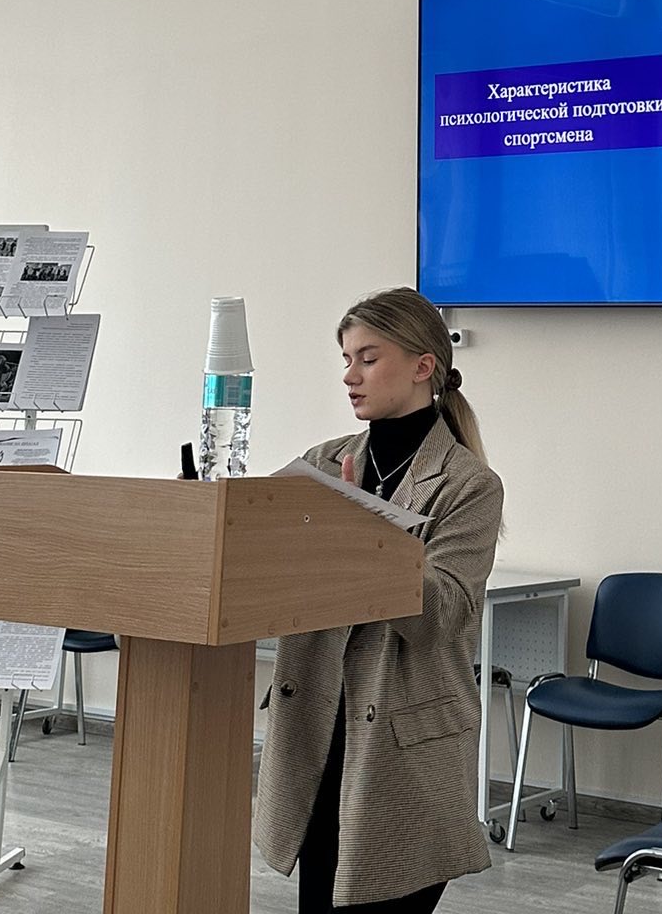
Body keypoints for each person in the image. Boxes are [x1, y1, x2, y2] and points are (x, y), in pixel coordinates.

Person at [253, 286, 504, 914]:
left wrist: (363, 534)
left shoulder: (470, 484)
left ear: (423, 366)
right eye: (346, 360)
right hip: (318, 729)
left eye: (368, 358)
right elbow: (253, 547)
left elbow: (440, 615)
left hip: (403, 741)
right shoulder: (323, 462)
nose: (349, 376)